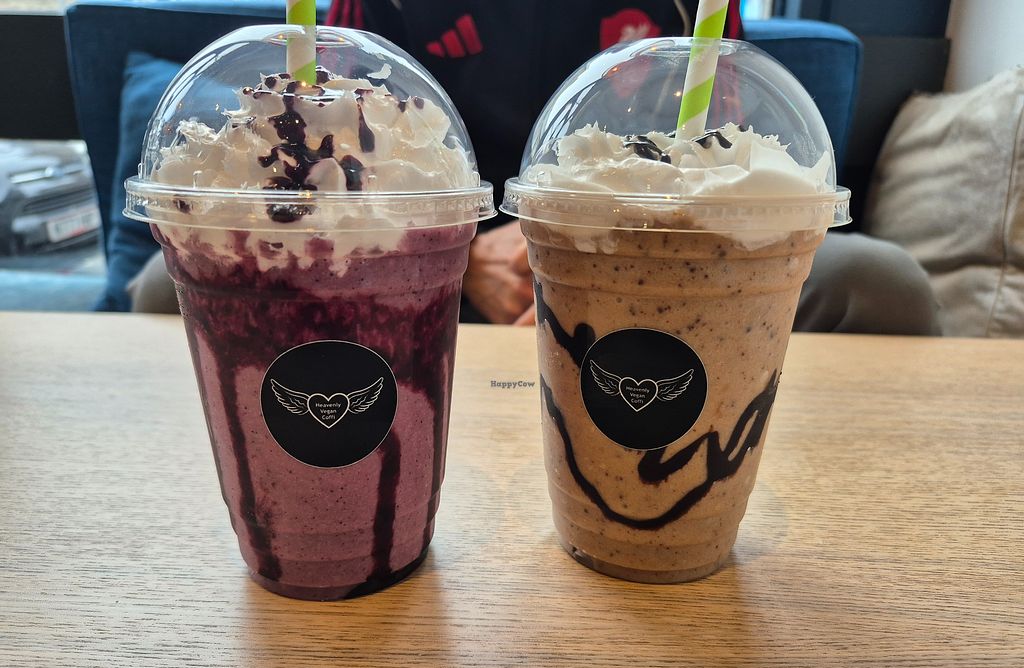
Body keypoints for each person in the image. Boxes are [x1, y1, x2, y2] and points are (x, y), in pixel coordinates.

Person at [130, 0, 940, 335]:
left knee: (879, 282)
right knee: (167, 288)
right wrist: (458, 254)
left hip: (652, 247)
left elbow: (714, 160)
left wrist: (565, 235)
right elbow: (332, 154)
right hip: (414, 259)